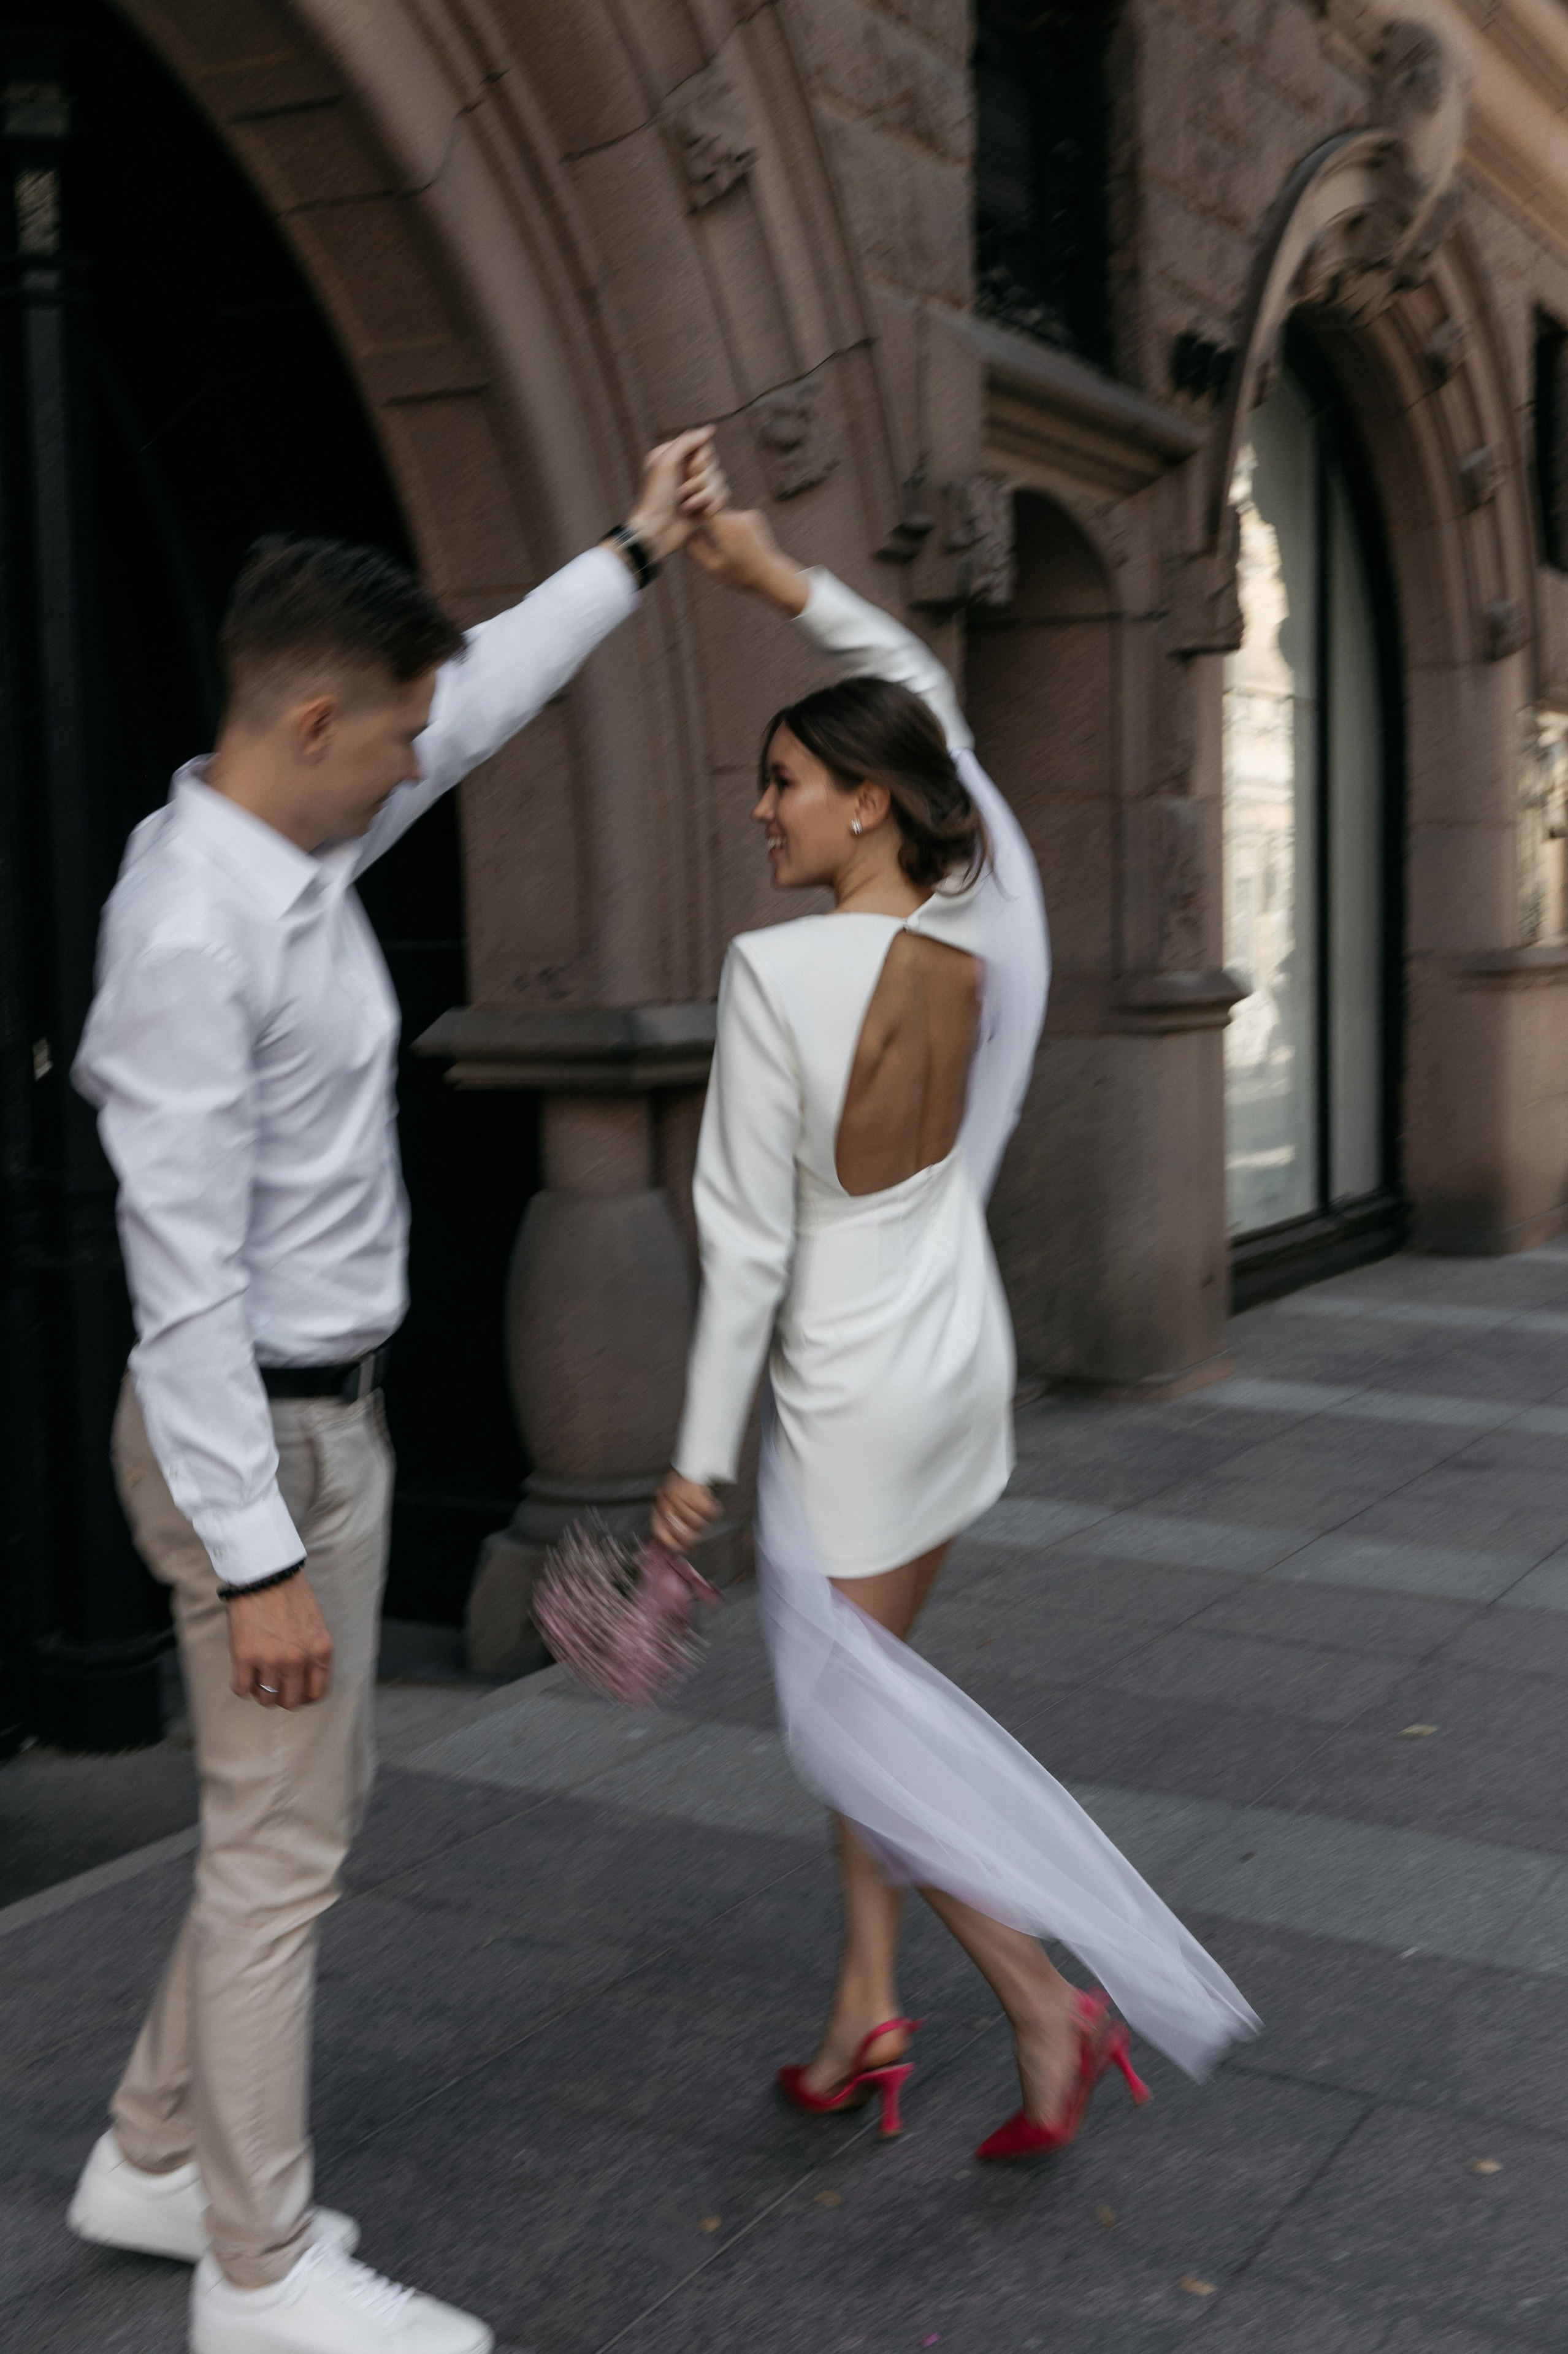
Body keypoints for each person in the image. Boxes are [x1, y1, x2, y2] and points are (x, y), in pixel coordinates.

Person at [67, 430, 725, 2354]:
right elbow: (176, 1289)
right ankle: (256, 2278)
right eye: (397, 734)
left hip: (319, 1420)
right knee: (283, 1857)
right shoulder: (187, 925)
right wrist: (261, 1557)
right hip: (253, 1437)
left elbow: (488, 689)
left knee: (298, 1816)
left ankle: (149, 2151)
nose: (423, 762)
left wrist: (637, 546)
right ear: (315, 710)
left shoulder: (304, 825)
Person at [652, 510, 1258, 2158]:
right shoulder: (982, 926)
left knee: (848, 1720)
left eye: (783, 780)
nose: (760, 809)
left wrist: (694, 1467)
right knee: (880, 1696)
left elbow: (743, 1243)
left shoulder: (775, 977)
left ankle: (1047, 1999)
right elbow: (915, 679)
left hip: (847, 1384)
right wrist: (770, 573)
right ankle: (866, 2009)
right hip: (953, 1359)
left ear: (865, 801)